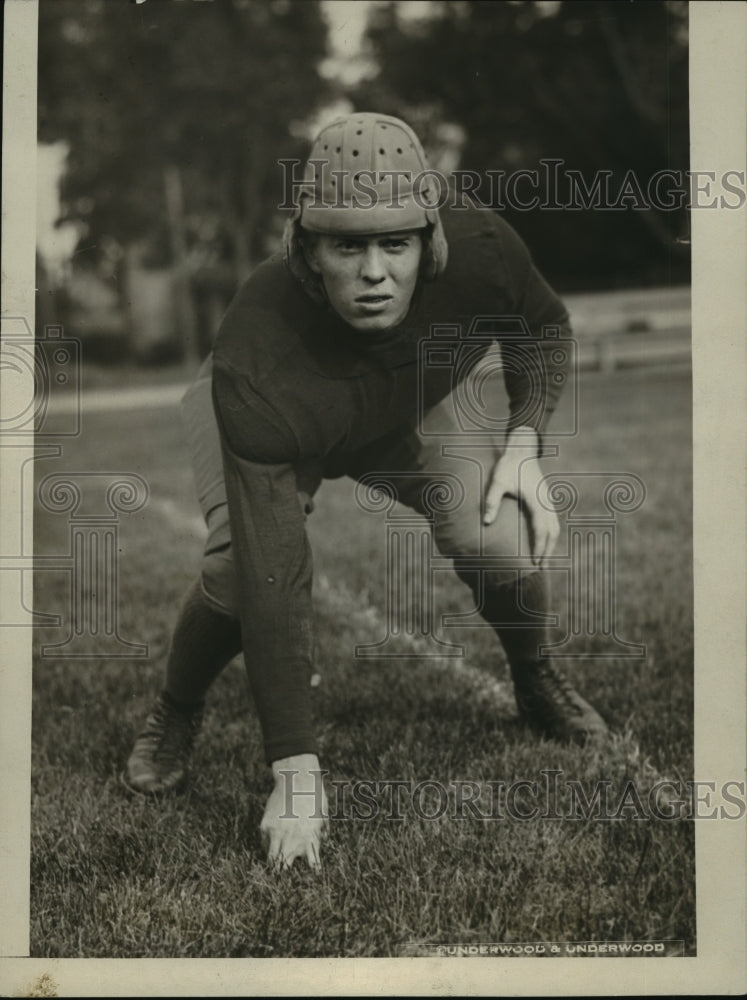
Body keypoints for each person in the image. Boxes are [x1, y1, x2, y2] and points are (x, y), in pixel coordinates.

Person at [124, 112, 607, 869]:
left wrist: (523, 442)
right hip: (293, 410)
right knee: (231, 572)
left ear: (430, 240)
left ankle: (533, 674)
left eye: (395, 242)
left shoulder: (481, 247)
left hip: (403, 407)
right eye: (348, 245)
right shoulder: (257, 352)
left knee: (495, 531)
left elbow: (542, 325)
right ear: (308, 250)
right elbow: (277, 572)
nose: (375, 271)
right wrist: (295, 769)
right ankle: (175, 710)